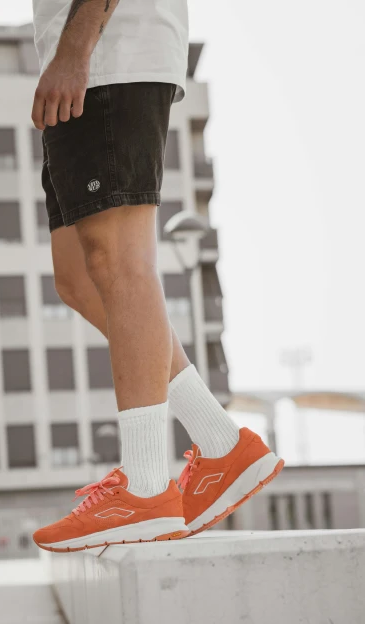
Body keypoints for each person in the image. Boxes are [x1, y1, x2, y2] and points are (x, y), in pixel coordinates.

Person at [31, 0, 283, 553]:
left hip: (107, 59)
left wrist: (76, 49)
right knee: (76, 277)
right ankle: (221, 442)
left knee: (120, 264)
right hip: (83, 62)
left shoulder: (95, 54)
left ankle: (145, 488)